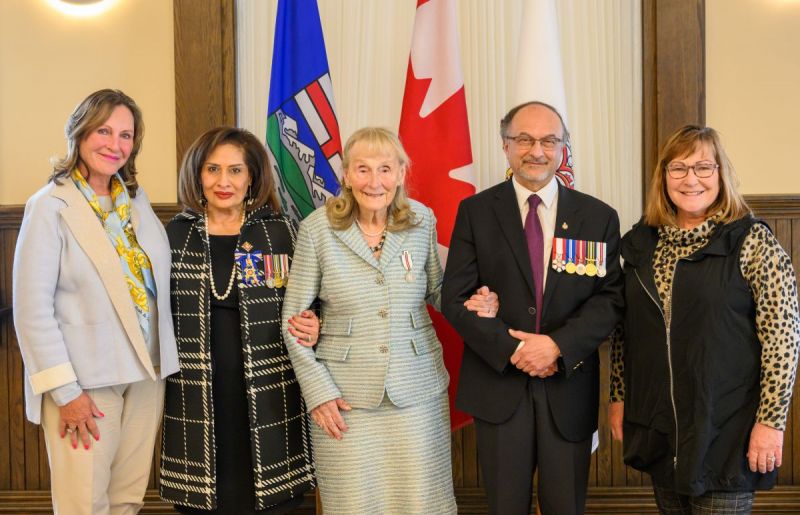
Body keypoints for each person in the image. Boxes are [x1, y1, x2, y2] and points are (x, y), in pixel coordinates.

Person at [280, 127, 497, 514]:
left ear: (400, 174)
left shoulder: (420, 220)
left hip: (417, 390)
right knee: (352, 503)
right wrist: (319, 393)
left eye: (385, 169)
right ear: (345, 175)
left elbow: (437, 290)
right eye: (362, 169)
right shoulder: (317, 228)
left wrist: (474, 303)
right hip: (344, 398)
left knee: (421, 502)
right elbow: (293, 322)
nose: (374, 181)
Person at [442, 101, 624, 515]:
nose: (536, 150)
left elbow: (610, 298)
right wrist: (517, 350)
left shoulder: (598, 217)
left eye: (548, 140)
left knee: (566, 507)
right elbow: (455, 298)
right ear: (505, 145)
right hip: (498, 386)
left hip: (569, 388)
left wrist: (556, 345)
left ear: (563, 148)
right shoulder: (475, 212)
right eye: (524, 139)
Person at [608, 125, 800, 514]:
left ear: (721, 174)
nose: (690, 179)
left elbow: (784, 341)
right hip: (661, 428)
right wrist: (618, 397)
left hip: (728, 429)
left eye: (703, 167)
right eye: (678, 168)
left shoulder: (752, 241)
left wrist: (770, 424)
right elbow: (625, 333)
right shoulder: (643, 244)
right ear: (663, 177)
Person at [12, 89, 179, 514]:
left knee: (127, 499)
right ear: (79, 133)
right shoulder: (49, 207)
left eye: (126, 135)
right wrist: (66, 393)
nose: (114, 144)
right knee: (83, 504)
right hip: (86, 382)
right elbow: (32, 311)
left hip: (146, 373)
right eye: (103, 130)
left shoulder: (135, 201)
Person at [159, 127, 318, 514]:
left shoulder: (280, 232)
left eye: (235, 170)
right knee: (203, 496)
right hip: (194, 388)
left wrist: (316, 322)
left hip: (269, 388)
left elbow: (314, 299)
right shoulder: (174, 234)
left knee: (271, 496)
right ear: (197, 175)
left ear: (252, 177)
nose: (223, 181)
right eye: (213, 169)